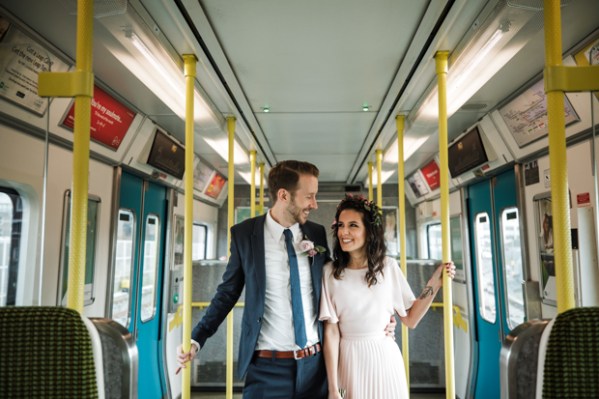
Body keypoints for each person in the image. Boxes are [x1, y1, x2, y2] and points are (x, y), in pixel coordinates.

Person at [176, 160, 396, 399]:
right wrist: (197, 338)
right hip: (266, 369)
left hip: (315, 366)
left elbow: (339, 284)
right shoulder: (244, 235)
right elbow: (227, 293)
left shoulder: (316, 233)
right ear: (283, 195)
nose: (314, 204)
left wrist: (377, 319)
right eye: (309, 197)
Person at [320, 194, 456, 399]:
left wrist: (434, 284)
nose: (344, 232)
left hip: (384, 359)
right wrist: (333, 388)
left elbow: (410, 319)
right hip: (348, 360)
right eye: (340, 225)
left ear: (369, 231)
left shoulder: (388, 267)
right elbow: (331, 333)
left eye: (353, 225)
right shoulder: (330, 272)